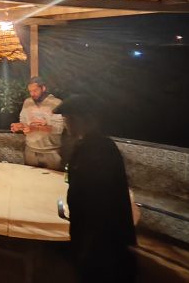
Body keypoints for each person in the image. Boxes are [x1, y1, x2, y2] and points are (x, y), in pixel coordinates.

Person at [54, 95, 137, 283]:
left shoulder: (98, 150)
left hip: (101, 243)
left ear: (82, 120)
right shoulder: (90, 145)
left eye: (69, 119)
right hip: (92, 238)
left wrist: (87, 245)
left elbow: (99, 204)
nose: (67, 125)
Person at [10, 76, 65, 170]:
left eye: (35, 91)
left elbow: (58, 129)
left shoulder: (56, 103)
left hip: (51, 152)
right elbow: (24, 122)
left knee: (53, 178)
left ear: (43, 88)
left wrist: (35, 128)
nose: (32, 94)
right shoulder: (27, 102)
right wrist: (19, 126)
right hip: (30, 151)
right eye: (30, 91)